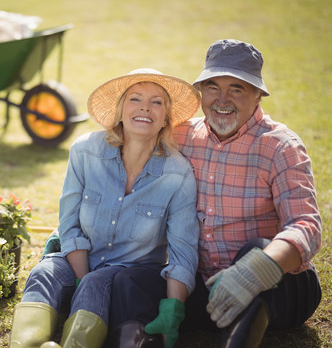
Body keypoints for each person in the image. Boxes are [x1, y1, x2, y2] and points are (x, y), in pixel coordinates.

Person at [108, 39, 322, 348]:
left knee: (255, 250)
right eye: (212, 87)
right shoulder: (180, 136)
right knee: (129, 281)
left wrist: (255, 271)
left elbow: (307, 227)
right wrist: (73, 226)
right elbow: (122, 169)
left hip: (280, 288)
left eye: (236, 88)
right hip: (203, 286)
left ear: (258, 94)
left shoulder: (280, 146)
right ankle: (137, 343)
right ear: (200, 91)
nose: (222, 100)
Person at [1, 68, 201, 348]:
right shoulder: (85, 151)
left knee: (97, 283)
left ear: (165, 118)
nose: (145, 107)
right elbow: (69, 224)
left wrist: (172, 310)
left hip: (128, 272)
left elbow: (183, 251)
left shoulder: (178, 173)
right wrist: (81, 277)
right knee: (43, 273)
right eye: (135, 99)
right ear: (120, 111)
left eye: (157, 102)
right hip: (77, 259)